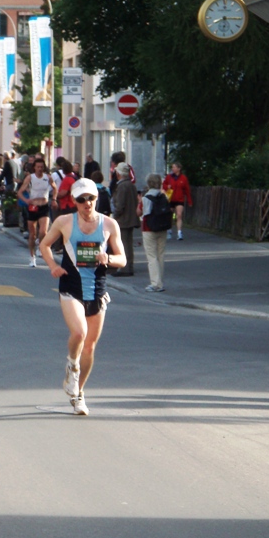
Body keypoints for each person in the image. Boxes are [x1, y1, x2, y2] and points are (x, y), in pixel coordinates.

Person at [39, 177, 127, 415]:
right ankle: (71, 365)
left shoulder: (109, 225)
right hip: (70, 286)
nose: (87, 204)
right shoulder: (65, 222)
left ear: (97, 199)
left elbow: (123, 259)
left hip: (97, 289)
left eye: (91, 198)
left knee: (89, 347)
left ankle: (78, 395)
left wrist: (108, 259)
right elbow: (45, 245)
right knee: (79, 333)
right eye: (81, 200)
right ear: (75, 202)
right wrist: (52, 266)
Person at [18, 156, 57, 267]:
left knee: (43, 232)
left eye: (41, 167)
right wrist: (27, 200)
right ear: (34, 168)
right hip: (33, 207)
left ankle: (40, 247)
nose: (40, 169)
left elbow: (55, 188)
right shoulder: (30, 178)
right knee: (32, 234)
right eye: (38, 167)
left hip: (44, 206)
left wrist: (54, 200)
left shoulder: (48, 177)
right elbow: (20, 192)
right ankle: (32, 257)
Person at [139, 173, 168, 292]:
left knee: (152, 256)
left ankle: (155, 283)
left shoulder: (146, 198)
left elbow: (140, 212)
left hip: (149, 228)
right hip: (162, 227)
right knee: (160, 254)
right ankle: (160, 280)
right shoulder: (163, 197)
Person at [111, 161, 138, 276]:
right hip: (130, 218)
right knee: (128, 243)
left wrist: (115, 215)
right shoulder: (131, 185)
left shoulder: (122, 186)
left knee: (124, 244)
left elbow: (120, 205)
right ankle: (129, 266)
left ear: (119, 173)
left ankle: (125, 268)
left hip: (123, 219)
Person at [163, 161, 193, 240]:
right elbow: (164, 185)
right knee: (169, 215)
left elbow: (187, 190)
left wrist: (189, 200)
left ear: (179, 168)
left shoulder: (183, 178)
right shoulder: (169, 177)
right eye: (172, 167)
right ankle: (169, 231)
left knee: (179, 215)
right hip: (170, 199)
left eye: (174, 167)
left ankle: (179, 233)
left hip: (179, 199)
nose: (173, 169)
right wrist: (167, 186)